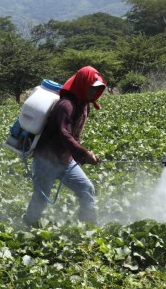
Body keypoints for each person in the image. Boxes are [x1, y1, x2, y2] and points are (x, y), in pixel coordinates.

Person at [23, 66, 106, 226]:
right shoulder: (66, 105)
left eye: (97, 90)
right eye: (91, 88)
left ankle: (89, 226)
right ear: (82, 84)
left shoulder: (84, 105)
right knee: (41, 197)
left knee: (86, 188)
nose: (93, 93)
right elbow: (65, 134)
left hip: (66, 160)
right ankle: (28, 224)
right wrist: (84, 154)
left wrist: (82, 155)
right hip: (46, 159)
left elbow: (74, 136)